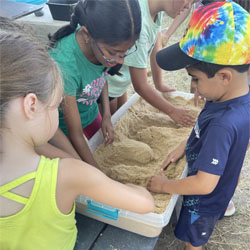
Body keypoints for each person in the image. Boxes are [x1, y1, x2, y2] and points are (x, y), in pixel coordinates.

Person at [0, 17, 155, 250]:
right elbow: (145, 203)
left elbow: (38, 145)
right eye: (55, 105)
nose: (56, 112)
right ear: (31, 106)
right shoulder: (69, 174)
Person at [147, 1, 250, 249]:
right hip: (219, 189)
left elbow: (204, 184)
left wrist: (164, 185)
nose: (193, 87)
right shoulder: (234, 98)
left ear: (224, 77)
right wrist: (186, 144)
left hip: (201, 204)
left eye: (195, 79)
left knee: (191, 241)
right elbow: (238, 146)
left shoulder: (222, 126)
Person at [41, 0, 142, 168]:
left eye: (125, 52)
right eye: (114, 53)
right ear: (86, 34)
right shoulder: (65, 65)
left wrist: (107, 116)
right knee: (80, 166)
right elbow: (75, 135)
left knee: (105, 146)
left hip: (90, 112)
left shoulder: (103, 48)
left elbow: (101, 77)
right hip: (64, 129)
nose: (121, 60)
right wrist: (98, 177)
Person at [107, 0, 196, 127]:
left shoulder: (155, 9)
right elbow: (140, 85)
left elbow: (156, 43)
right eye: (189, 1)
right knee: (113, 123)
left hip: (122, 79)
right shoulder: (140, 23)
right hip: (110, 83)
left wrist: (158, 83)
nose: (188, 7)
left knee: (121, 114)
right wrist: (172, 111)